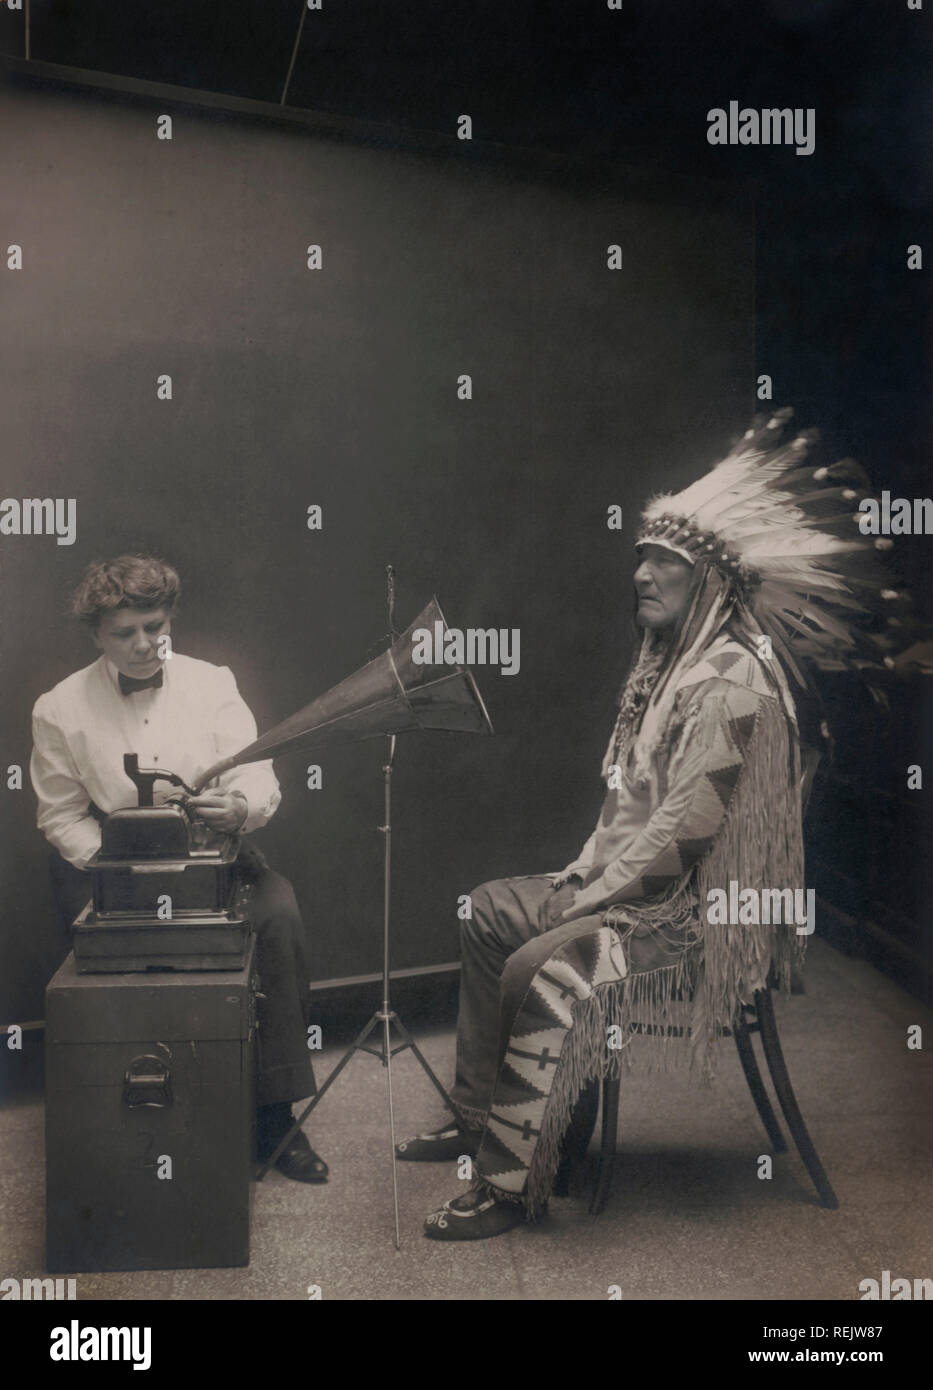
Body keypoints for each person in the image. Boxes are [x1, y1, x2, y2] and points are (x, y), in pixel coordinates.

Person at [398, 409, 905, 1240]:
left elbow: (685, 833)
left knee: (546, 960)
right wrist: (582, 876)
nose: (640, 572)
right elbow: (633, 801)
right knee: (491, 907)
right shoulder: (670, 665)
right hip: (641, 888)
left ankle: (510, 1182)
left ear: (709, 582)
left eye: (664, 560)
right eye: (640, 555)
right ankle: (480, 1116)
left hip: (696, 917)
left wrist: (590, 898)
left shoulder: (731, 679)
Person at [30, 554, 328, 1184]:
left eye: (155, 627)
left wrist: (240, 806)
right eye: (125, 633)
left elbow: (257, 772)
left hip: (218, 857)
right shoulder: (58, 708)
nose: (144, 645)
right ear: (96, 636)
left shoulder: (212, 682)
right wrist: (115, 864)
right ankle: (149, 1114)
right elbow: (59, 815)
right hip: (118, 872)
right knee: (115, 956)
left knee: (277, 918)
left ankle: (274, 1116)